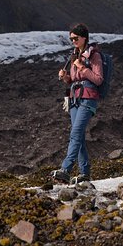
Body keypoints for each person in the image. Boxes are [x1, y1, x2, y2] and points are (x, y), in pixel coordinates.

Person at [51, 23, 103, 184]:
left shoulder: (94, 56)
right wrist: (65, 77)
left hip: (88, 99)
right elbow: (73, 80)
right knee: (77, 136)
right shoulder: (74, 55)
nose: (73, 41)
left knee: (75, 134)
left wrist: (82, 67)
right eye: (71, 39)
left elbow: (98, 79)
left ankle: (65, 169)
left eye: (75, 38)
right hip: (74, 99)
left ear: (84, 38)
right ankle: (84, 173)